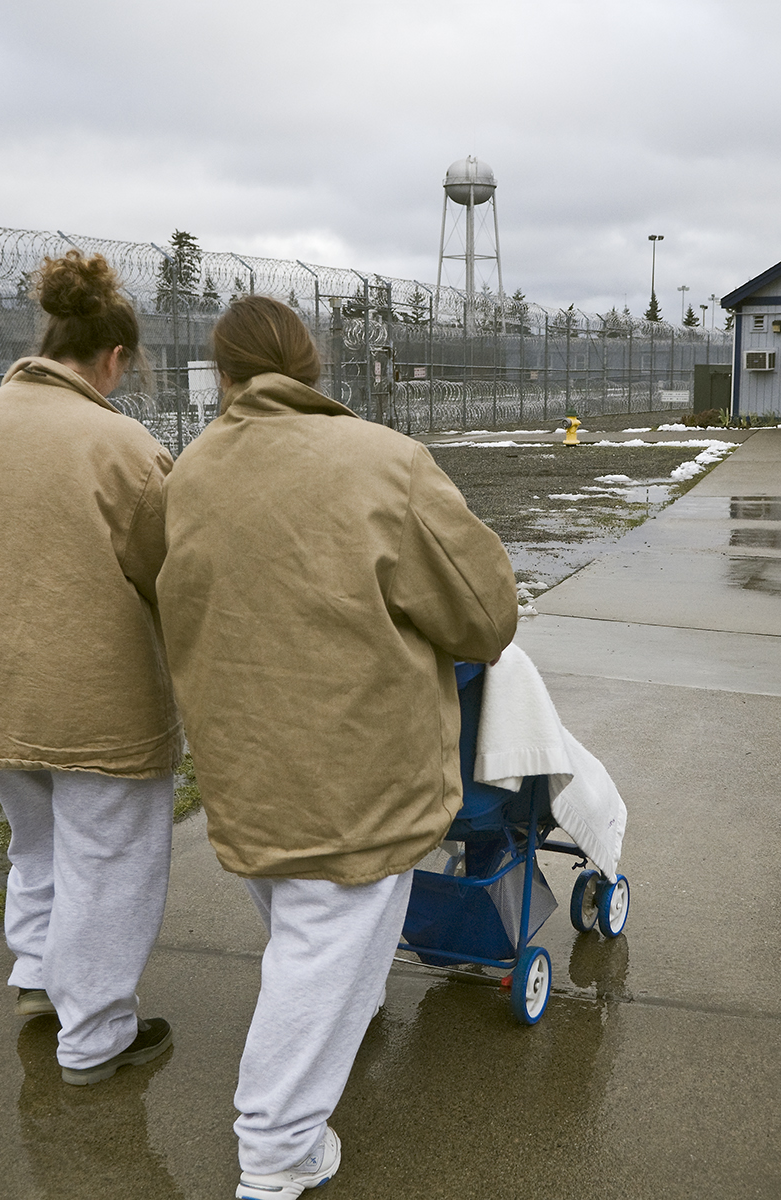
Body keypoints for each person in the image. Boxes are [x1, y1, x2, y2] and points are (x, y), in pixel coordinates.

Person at [158, 296, 516, 1199]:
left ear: (225, 374)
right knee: (325, 942)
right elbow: (483, 616)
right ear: (313, 368)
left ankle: (330, 1045)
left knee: (306, 928)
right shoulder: (384, 462)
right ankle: (277, 1150)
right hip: (358, 766)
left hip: (242, 757)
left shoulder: (191, 472)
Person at [0, 250, 180, 1086]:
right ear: (113, 356)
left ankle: (37, 975)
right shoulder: (121, 444)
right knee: (109, 861)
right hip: (98, 699)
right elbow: (168, 572)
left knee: (37, 844)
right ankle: (96, 1034)